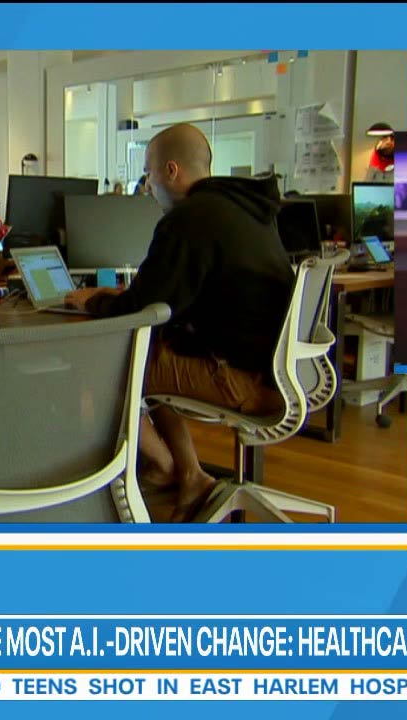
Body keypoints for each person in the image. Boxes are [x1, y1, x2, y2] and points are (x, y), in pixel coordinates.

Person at [64, 124, 294, 522]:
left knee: (103, 367)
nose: (148, 187)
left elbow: (138, 310)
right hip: (274, 369)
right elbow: (184, 294)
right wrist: (130, 295)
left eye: (148, 174)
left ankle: (165, 466)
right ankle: (190, 475)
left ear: (171, 171)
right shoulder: (245, 209)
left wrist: (95, 300)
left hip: (242, 378)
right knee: (153, 351)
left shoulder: (189, 218)